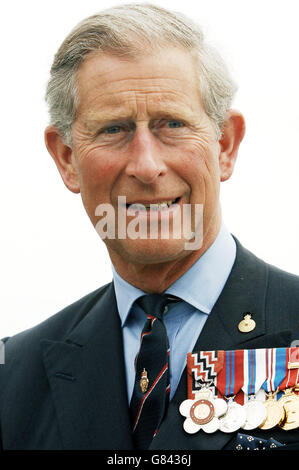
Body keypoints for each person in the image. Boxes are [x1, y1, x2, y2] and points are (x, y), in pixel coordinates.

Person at [1, 3, 299, 451]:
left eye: (172, 124)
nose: (146, 165)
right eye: (114, 129)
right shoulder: (14, 378)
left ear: (224, 144)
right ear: (66, 158)